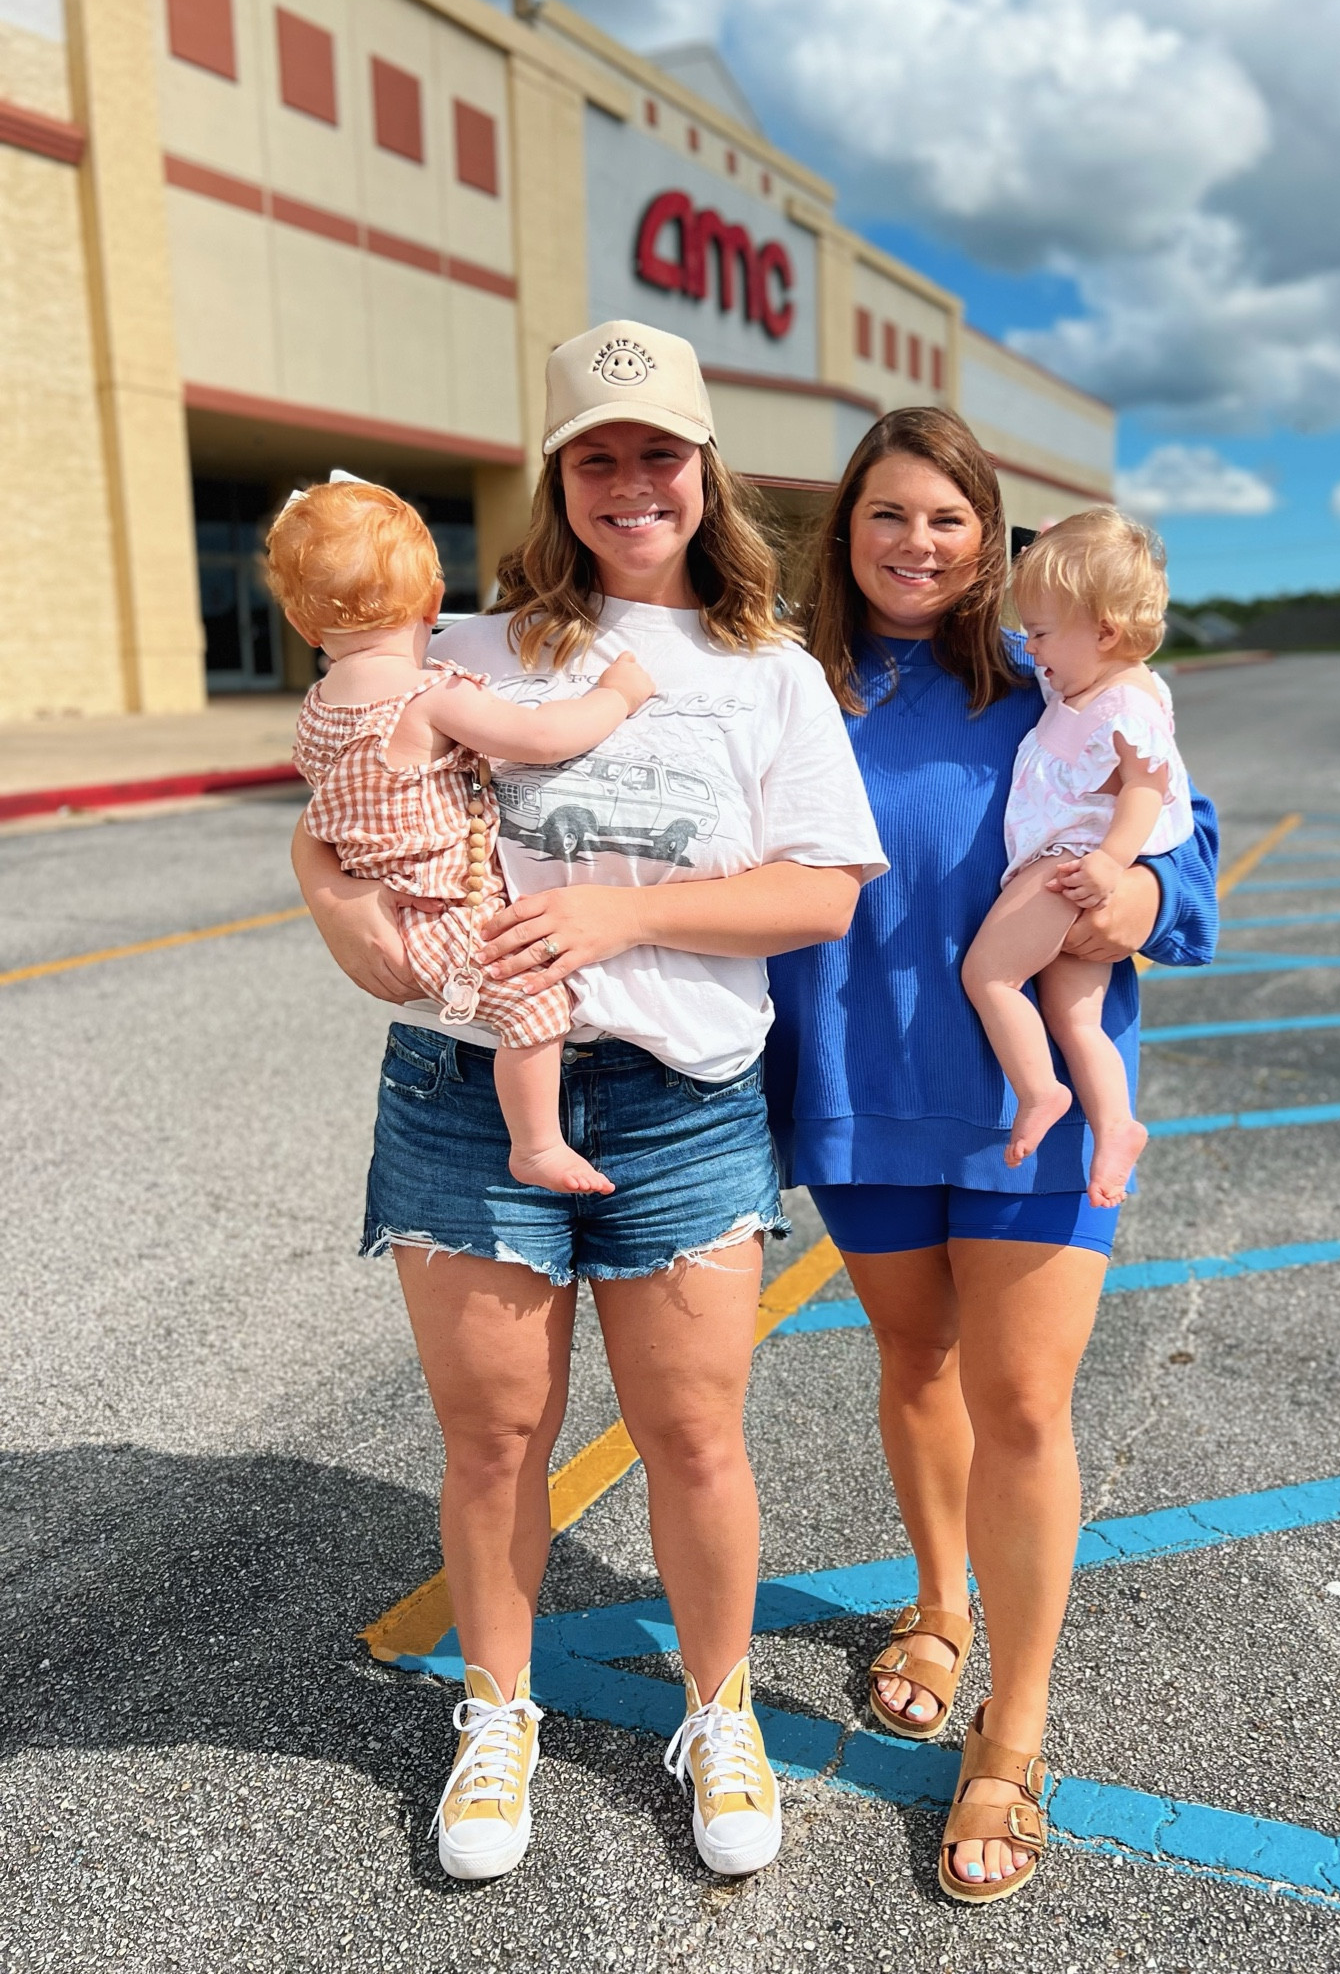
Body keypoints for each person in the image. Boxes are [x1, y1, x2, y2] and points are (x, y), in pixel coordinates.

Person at [291, 320, 887, 1883]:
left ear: (705, 474)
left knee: (694, 1436)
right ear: (558, 478)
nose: (632, 482)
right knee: (493, 1438)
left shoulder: (767, 676)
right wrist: (339, 915)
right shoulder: (471, 653)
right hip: (466, 1092)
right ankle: (498, 1717)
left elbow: (821, 895)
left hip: (685, 1098)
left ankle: (720, 1708)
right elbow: (344, 814)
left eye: (659, 453)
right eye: (597, 455)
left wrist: (624, 920)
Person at [766, 407, 1217, 1905]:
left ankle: (1010, 1734)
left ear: (991, 538)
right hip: (859, 1085)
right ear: (845, 531)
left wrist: (1146, 902)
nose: (914, 544)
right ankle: (938, 1607)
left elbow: (1178, 823)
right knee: (912, 1368)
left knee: (1020, 1400)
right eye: (886, 515)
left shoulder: (1044, 665)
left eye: (946, 520)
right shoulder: (792, 684)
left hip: (1032, 1098)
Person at [273, 471, 655, 1195]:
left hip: (388, 916)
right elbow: (543, 736)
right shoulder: (428, 695)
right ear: (432, 603)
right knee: (539, 1007)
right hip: (448, 913)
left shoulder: (318, 708)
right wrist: (617, 694)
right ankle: (536, 1144)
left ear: (301, 625)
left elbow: (326, 813)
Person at [961, 509, 1193, 1205]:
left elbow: (1148, 791)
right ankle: (1116, 1126)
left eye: (1039, 632)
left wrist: (1109, 862)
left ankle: (1039, 1092)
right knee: (1074, 1018)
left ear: (1104, 631)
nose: (1030, 649)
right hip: (1071, 866)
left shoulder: (1124, 701)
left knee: (991, 977)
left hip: (1066, 868)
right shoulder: (1080, 685)